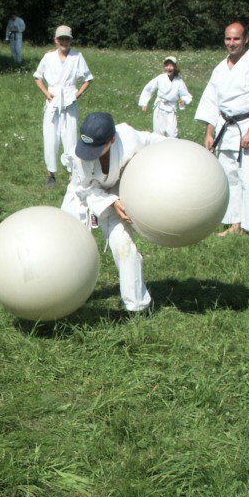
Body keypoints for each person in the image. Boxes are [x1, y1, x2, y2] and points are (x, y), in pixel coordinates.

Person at [61, 112, 165, 315]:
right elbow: (85, 190)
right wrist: (111, 202)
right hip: (82, 196)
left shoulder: (127, 137)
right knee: (66, 247)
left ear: (112, 140)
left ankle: (137, 307)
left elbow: (151, 140)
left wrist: (180, 148)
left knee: (125, 247)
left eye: (96, 149)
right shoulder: (78, 155)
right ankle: (62, 297)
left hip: (114, 193)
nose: (90, 153)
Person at [195, 21, 249, 243]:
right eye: (228, 38)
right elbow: (212, 101)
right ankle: (235, 223)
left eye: (236, 38)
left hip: (247, 126)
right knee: (229, 178)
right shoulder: (220, 68)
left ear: (246, 39)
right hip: (225, 128)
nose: (231, 43)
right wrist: (209, 132)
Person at [34, 25, 93, 187]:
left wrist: (77, 94)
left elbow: (88, 79)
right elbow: (37, 77)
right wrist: (46, 93)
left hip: (69, 101)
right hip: (52, 102)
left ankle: (72, 174)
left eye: (67, 39)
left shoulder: (77, 57)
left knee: (70, 138)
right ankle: (51, 174)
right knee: (50, 138)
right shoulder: (48, 57)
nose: (64, 42)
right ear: (56, 40)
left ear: (71, 40)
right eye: (61, 39)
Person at [137, 55, 192, 138]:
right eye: (166, 65)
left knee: (172, 133)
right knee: (158, 132)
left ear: (175, 67)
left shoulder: (179, 81)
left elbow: (185, 94)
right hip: (159, 107)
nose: (168, 68)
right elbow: (149, 89)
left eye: (171, 65)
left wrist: (183, 101)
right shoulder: (160, 78)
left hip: (171, 108)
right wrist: (144, 102)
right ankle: (159, 145)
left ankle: (172, 145)